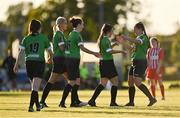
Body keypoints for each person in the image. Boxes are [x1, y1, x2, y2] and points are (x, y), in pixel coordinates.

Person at [40, 16, 86, 108]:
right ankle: (43, 101)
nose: (66, 25)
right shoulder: (58, 34)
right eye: (65, 23)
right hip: (59, 60)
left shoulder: (61, 34)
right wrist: (71, 47)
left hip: (62, 60)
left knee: (73, 81)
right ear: (60, 24)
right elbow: (62, 48)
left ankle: (75, 101)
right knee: (54, 81)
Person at [59, 16, 100, 107]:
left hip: (71, 60)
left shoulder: (71, 34)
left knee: (77, 81)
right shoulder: (77, 35)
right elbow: (82, 48)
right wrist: (94, 53)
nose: (83, 26)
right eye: (82, 24)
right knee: (73, 82)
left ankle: (75, 101)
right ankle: (62, 102)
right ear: (78, 25)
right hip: (72, 60)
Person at [13, 19, 53, 112]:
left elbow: (20, 53)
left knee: (34, 86)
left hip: (29, 63)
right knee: (35, 87)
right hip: (39, 63)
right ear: (39, 28)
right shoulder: (43, 38)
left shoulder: (26, 39)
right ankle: (31, 107)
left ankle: (38, 106)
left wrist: (16, 64)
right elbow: (50, 51)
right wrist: (50, 58)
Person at [117, 22, 157, 106]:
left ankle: (151, 99)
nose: (134, 30)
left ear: (140, 29)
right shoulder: (138, 37)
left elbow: (137, 42)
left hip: (141, 62)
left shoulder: (144, 37)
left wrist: (126, 37)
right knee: (130, 82)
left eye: (135, 29)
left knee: (137, 82)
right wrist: (122, 42)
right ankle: (131, 102)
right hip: (134, 62)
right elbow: (131, 48)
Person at [88, 23, 127, 107]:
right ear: (108, 31)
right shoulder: (106, 40)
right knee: (115, 81)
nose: (112, 33)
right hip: (108, 63)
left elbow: (107, 49)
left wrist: (114, 44)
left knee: (103, 83)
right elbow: (109, 52)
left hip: (103, 63)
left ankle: (92, 100)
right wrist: (121, 51)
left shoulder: (103, 39)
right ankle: (112, 102)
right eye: (112, 31)